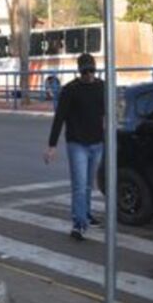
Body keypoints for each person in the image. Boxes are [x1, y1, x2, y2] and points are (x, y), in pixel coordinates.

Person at [44, 53, 104, 240]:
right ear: (79, 71)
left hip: (97, 143)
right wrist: (52, 145)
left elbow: (108, 113)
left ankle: (85, 213)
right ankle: (78, 223)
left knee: (87, 184)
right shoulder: (70, 90)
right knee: (79, 185)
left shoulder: (102, 87)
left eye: (91, 71)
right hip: (77, 143)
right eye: (85, 71)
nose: (88, 75)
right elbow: (59, 117)